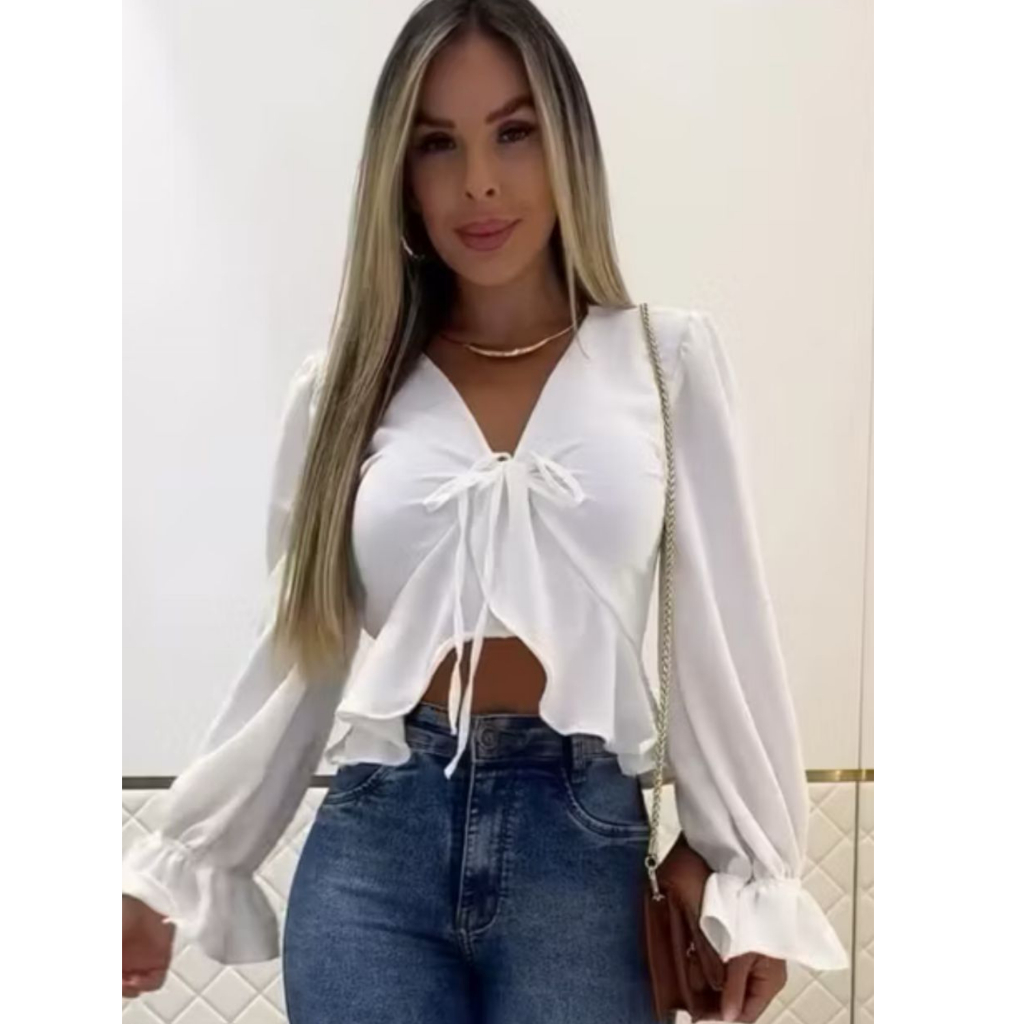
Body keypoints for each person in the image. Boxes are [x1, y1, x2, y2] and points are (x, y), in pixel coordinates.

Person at [122, 1, 849, 1021]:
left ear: (568, 146)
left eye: (514, 132)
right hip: (374, 856)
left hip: (583, 855)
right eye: (437, 144)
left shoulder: (664, 363)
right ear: (400, 174)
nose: (478, 183)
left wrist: (744, 864)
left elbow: (725, 635)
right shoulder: (343, 389)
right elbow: (293, 658)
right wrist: (173, 868)